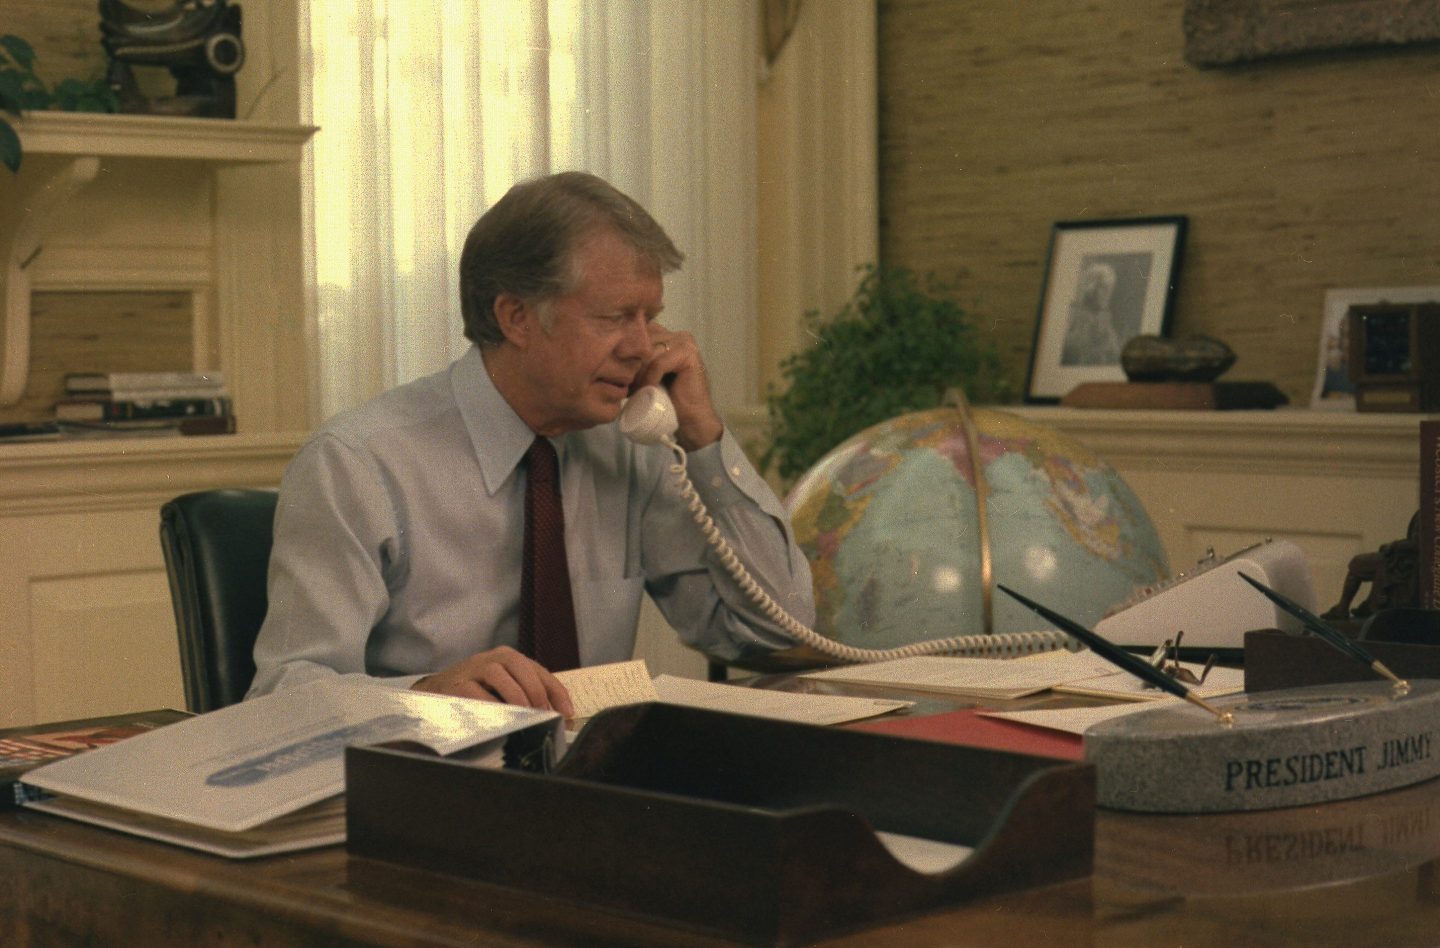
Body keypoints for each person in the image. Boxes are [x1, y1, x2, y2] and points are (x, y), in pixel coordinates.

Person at [246, 171, 815, 716]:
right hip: (429, 787)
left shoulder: (634, 449)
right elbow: (284, 696)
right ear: (516, 317)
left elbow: (774, 634)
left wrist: (704, 441)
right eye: (616, 317)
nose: (645, 348)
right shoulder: (358, 463)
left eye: (652, 318)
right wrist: (422, 695)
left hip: (586, 789)